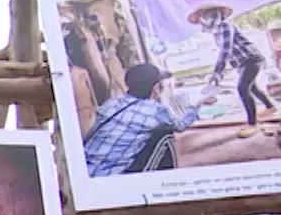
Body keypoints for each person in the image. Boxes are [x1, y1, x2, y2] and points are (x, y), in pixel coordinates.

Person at [82, 63, 214, 176]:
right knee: (164, 135)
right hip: (113, 173)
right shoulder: (155, 110)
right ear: (155, 88)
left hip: (84, 168)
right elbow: (180, 126)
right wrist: (197, 106)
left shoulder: (112, 103)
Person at [194, 1, 277, 135]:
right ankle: (270, 107)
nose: (207, 18)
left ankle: (252, 124)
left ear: (218, 15)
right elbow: (228, 55)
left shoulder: (225, 26)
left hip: (251, 59)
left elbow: (225, 51)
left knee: (242, 88)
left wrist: (216, 72)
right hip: (242, 63)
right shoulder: (216, 34)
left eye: (210, 14)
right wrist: (219, 75)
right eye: (205, 16)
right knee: (252, 87)